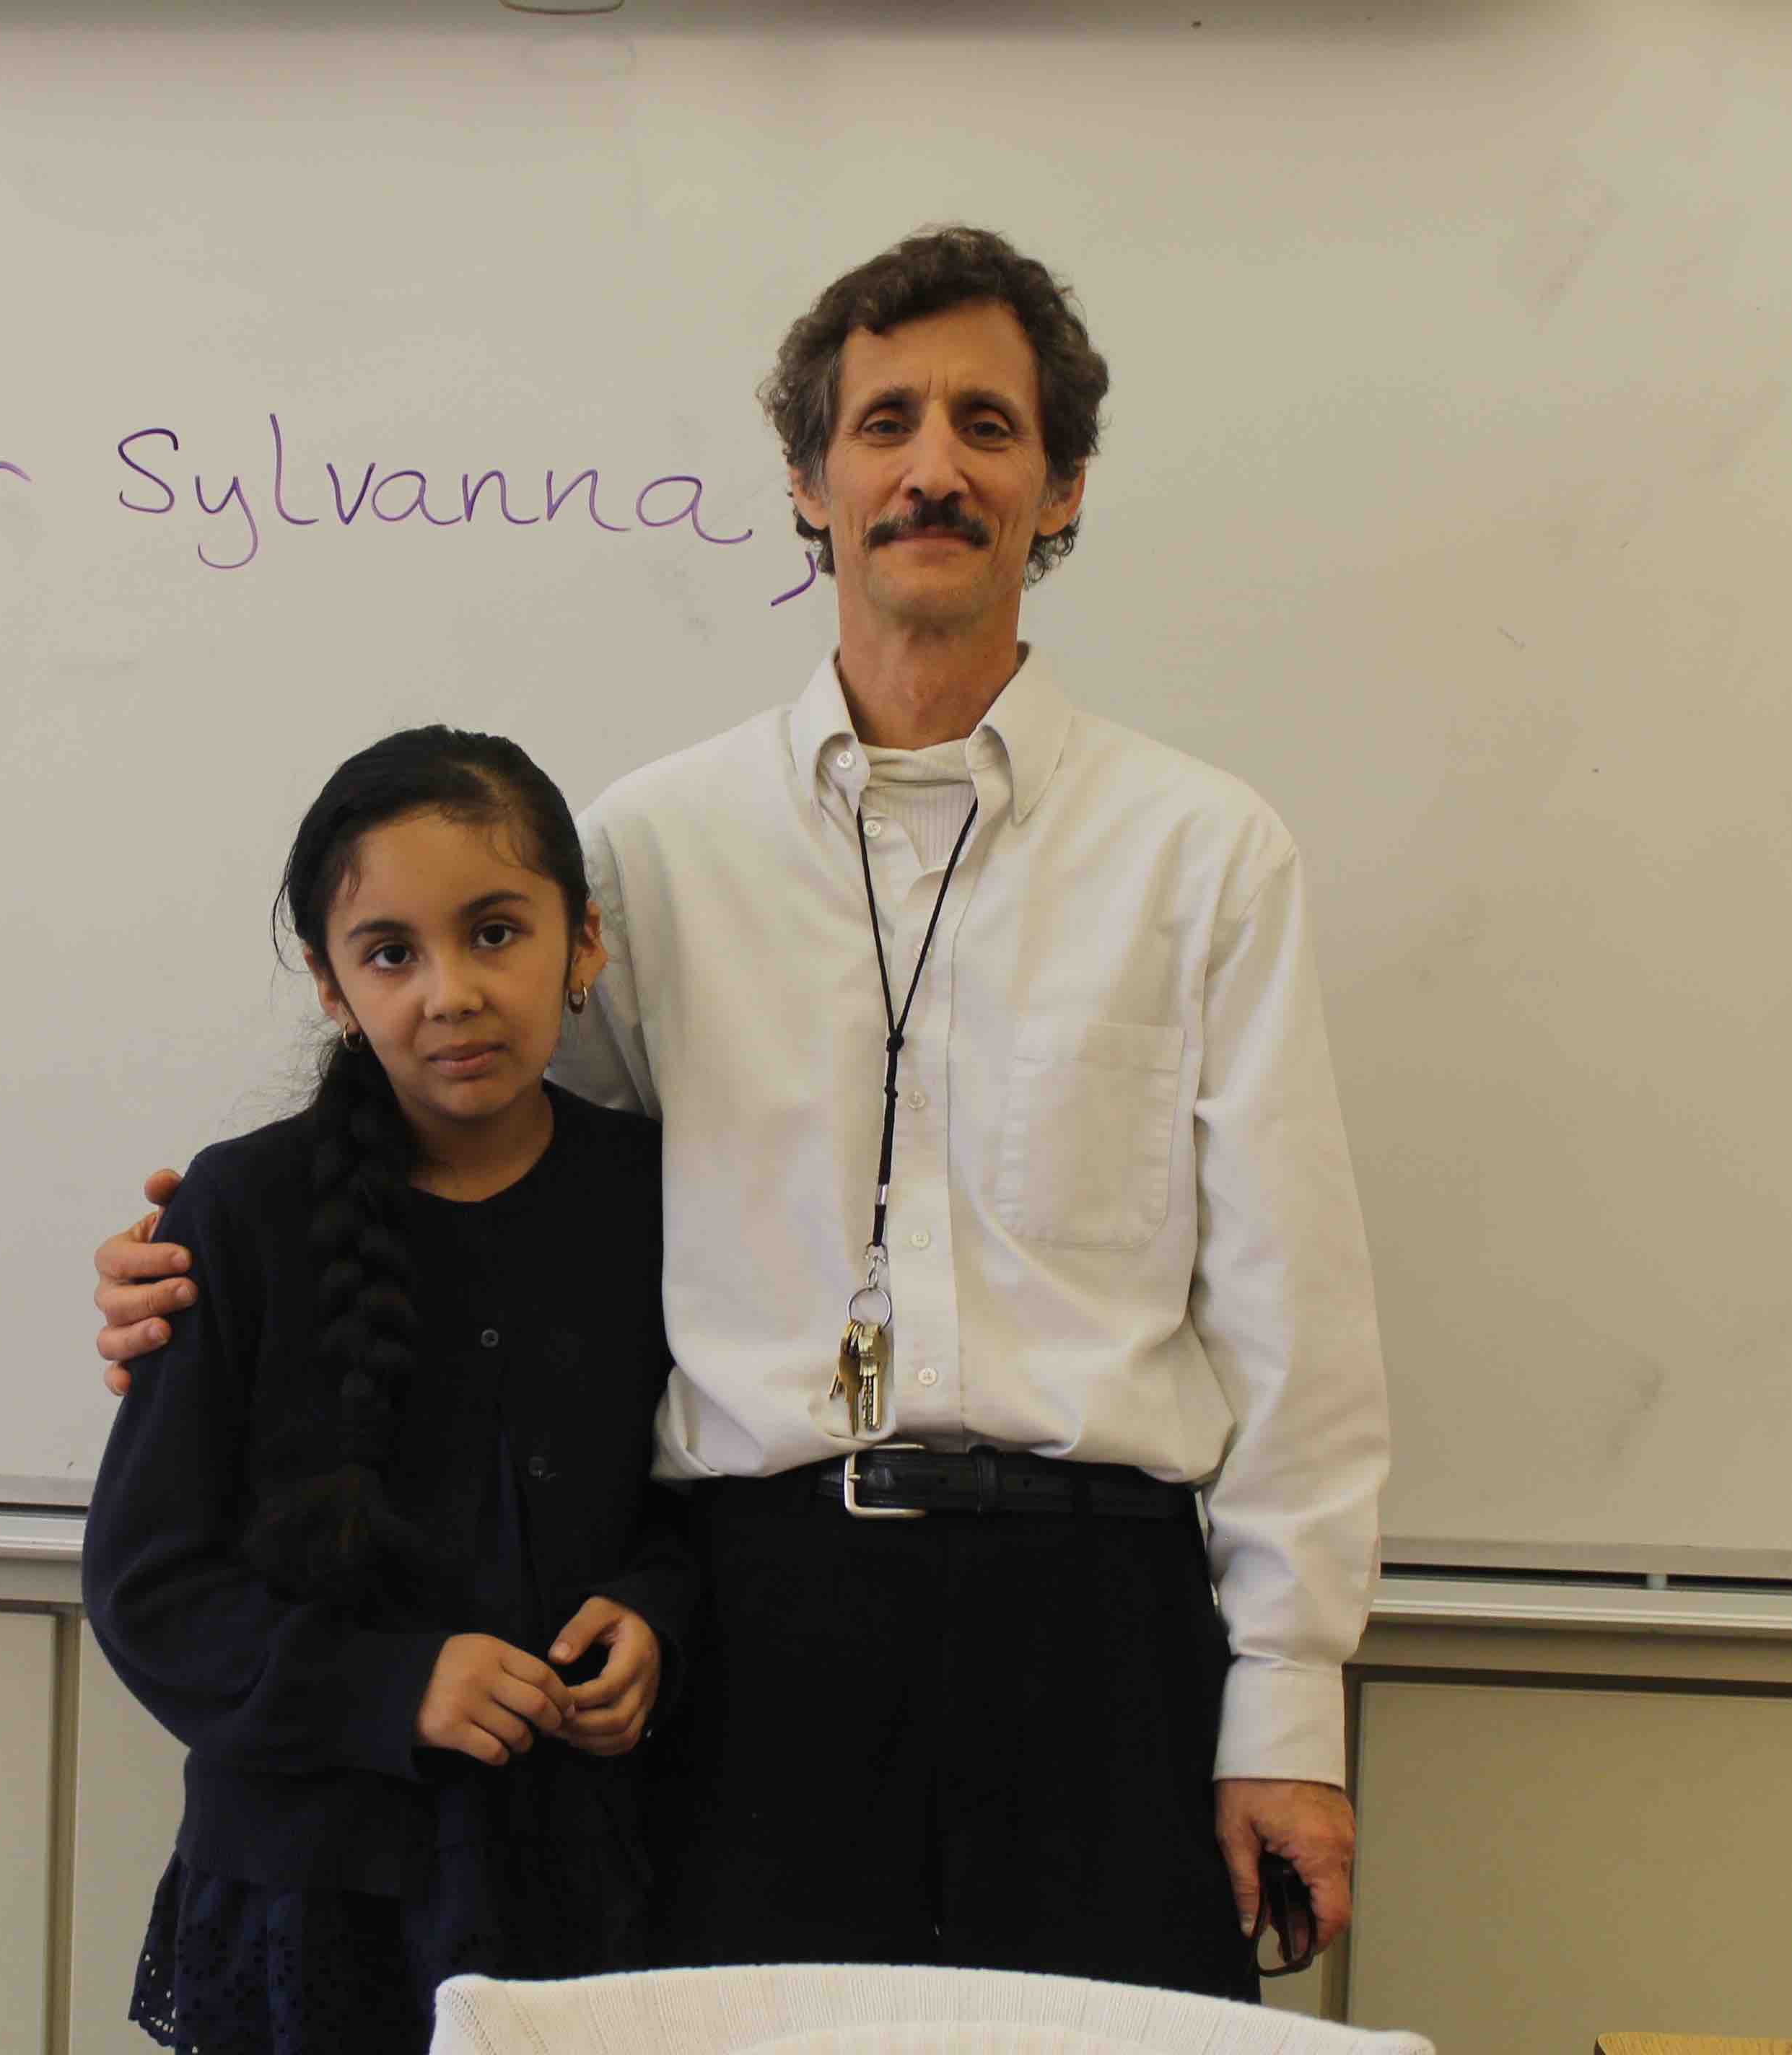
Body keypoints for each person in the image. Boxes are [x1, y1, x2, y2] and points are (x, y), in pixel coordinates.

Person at [95, 226, 1386, 1999]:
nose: (933, 467)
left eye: (989, 424)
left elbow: (1293, 1308)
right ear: (808, 479)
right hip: (752, 1636)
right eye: (885, 421)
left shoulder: (1202, 851)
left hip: (1099, 1635)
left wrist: (1290, 1707)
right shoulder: (650, 848)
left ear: (1063, 483)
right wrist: (216, 1267)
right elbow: (500, 1196)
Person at [83, 725, 695, 2055]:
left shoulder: (659, 1194)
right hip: (314, 1890)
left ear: (584, 944)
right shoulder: (242, 1209)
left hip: (583, 1879)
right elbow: (148, 1587)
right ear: (330, 983)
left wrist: (659, 1613)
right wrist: (389, 1686)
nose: (451, 993)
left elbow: (703, 1494)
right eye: (390, 954)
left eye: (496, 933)